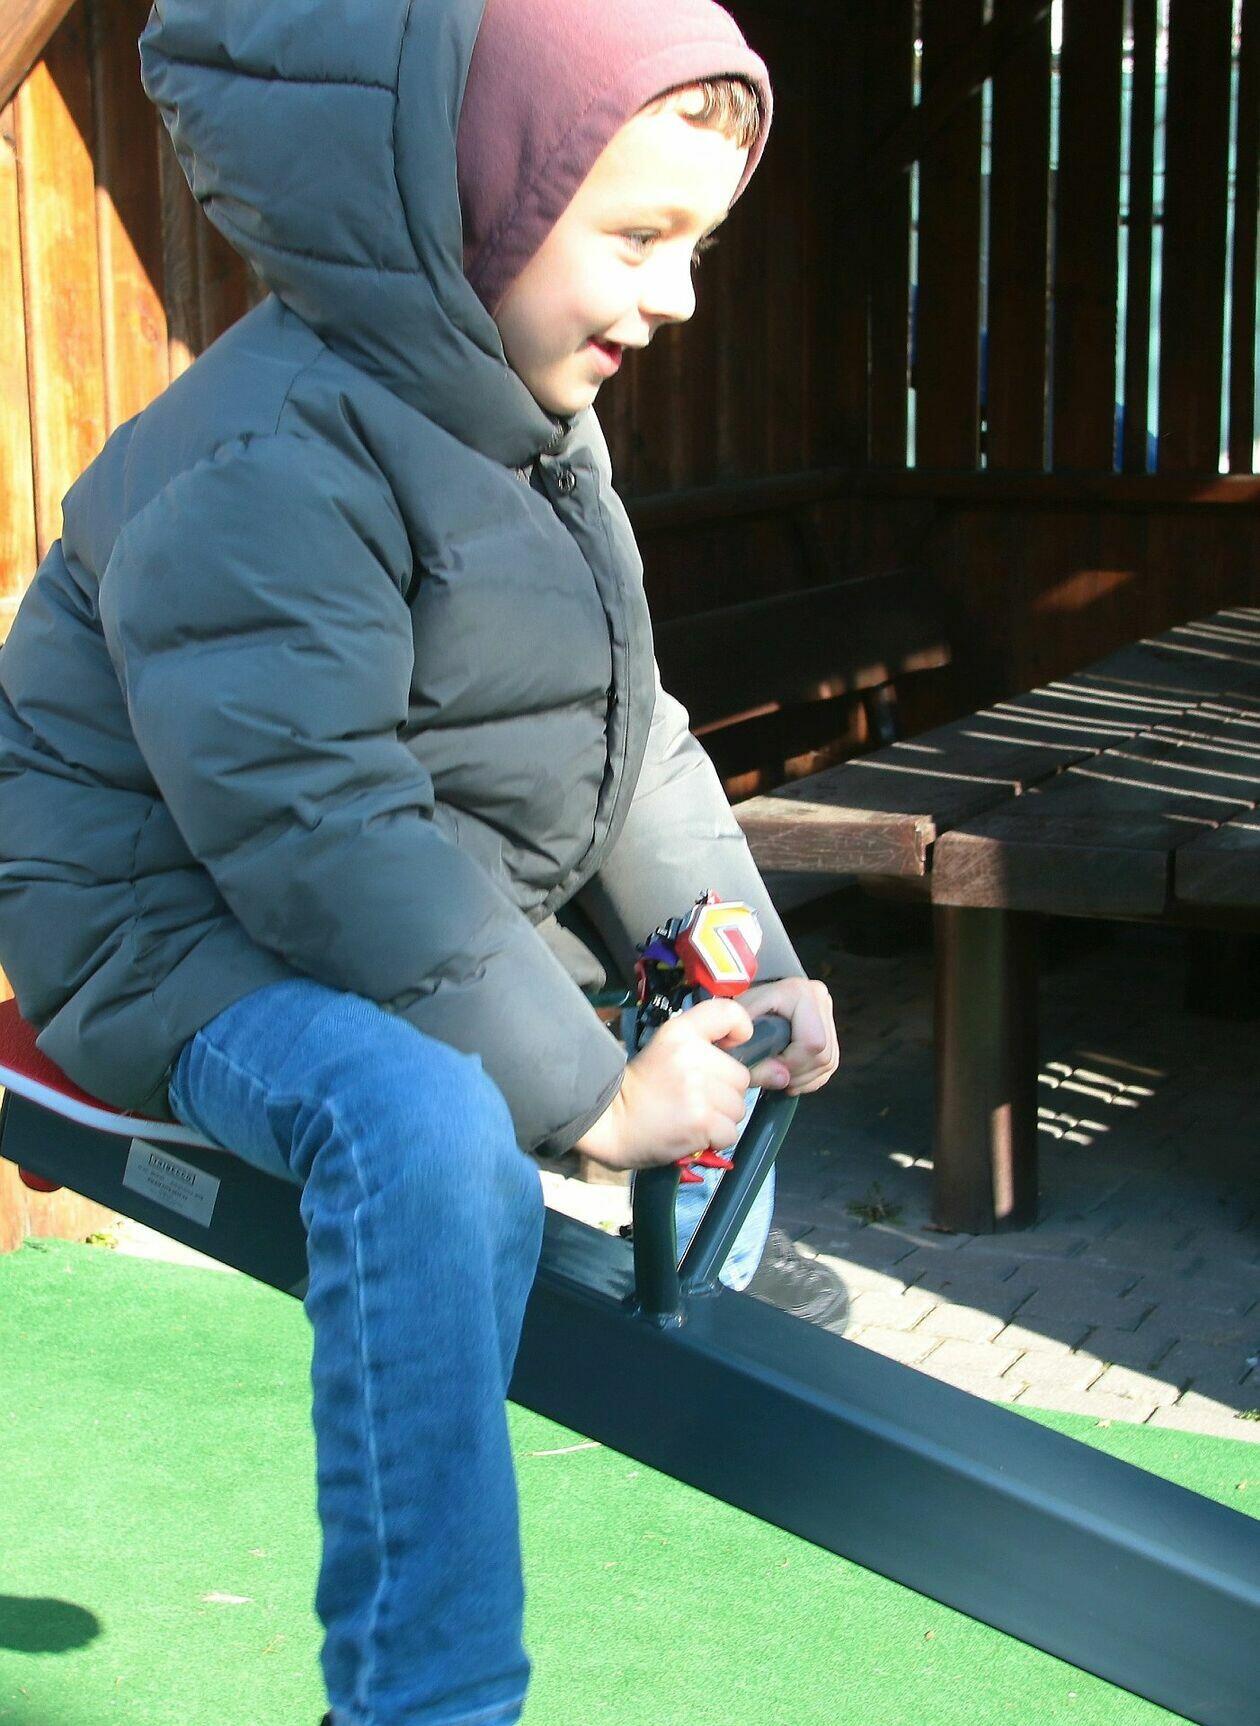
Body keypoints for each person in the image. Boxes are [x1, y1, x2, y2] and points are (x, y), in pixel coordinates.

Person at [0, 1, 841, 1721]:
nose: (680, 295)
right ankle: (425, 1693)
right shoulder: (273, 450)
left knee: (584, 1057)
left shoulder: (532, 427)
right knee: (429, 1122)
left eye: (695, 247)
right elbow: (320, 824)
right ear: (478, 210)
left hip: (332, 886)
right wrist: (588, 1099)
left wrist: (749, 965)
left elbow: (628, 743)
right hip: (158, 919)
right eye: (639, 239)